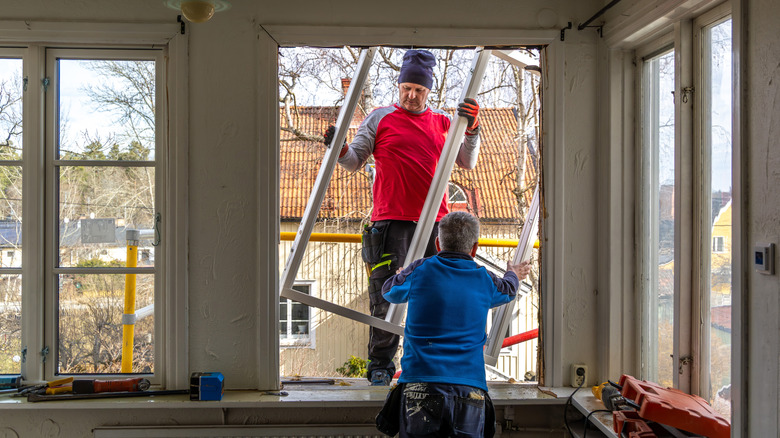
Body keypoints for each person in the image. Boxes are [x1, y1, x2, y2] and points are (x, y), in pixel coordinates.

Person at [323, 49, 483, 386]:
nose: (411, 96)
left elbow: (467, 161)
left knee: (438, 294)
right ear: (399, 85)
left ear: (429, 91)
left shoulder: (443, 123)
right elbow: (353, 161)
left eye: (419, 90)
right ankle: (381, 363)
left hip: (435, 226)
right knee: (386, 294)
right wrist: (338, 149)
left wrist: (471, 129)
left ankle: (432, 363)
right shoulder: (381, 118)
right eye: (406, 88)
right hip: (390, 222)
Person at [376, 211, 531, 437]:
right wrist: (513, 273)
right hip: (469, 389)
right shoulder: (485, 278)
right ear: (475, 248)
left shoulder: (419, 270)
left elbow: (389, 291)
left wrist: (401, 273)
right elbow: (508, 290)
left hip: (420, 384)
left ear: (438, 243)